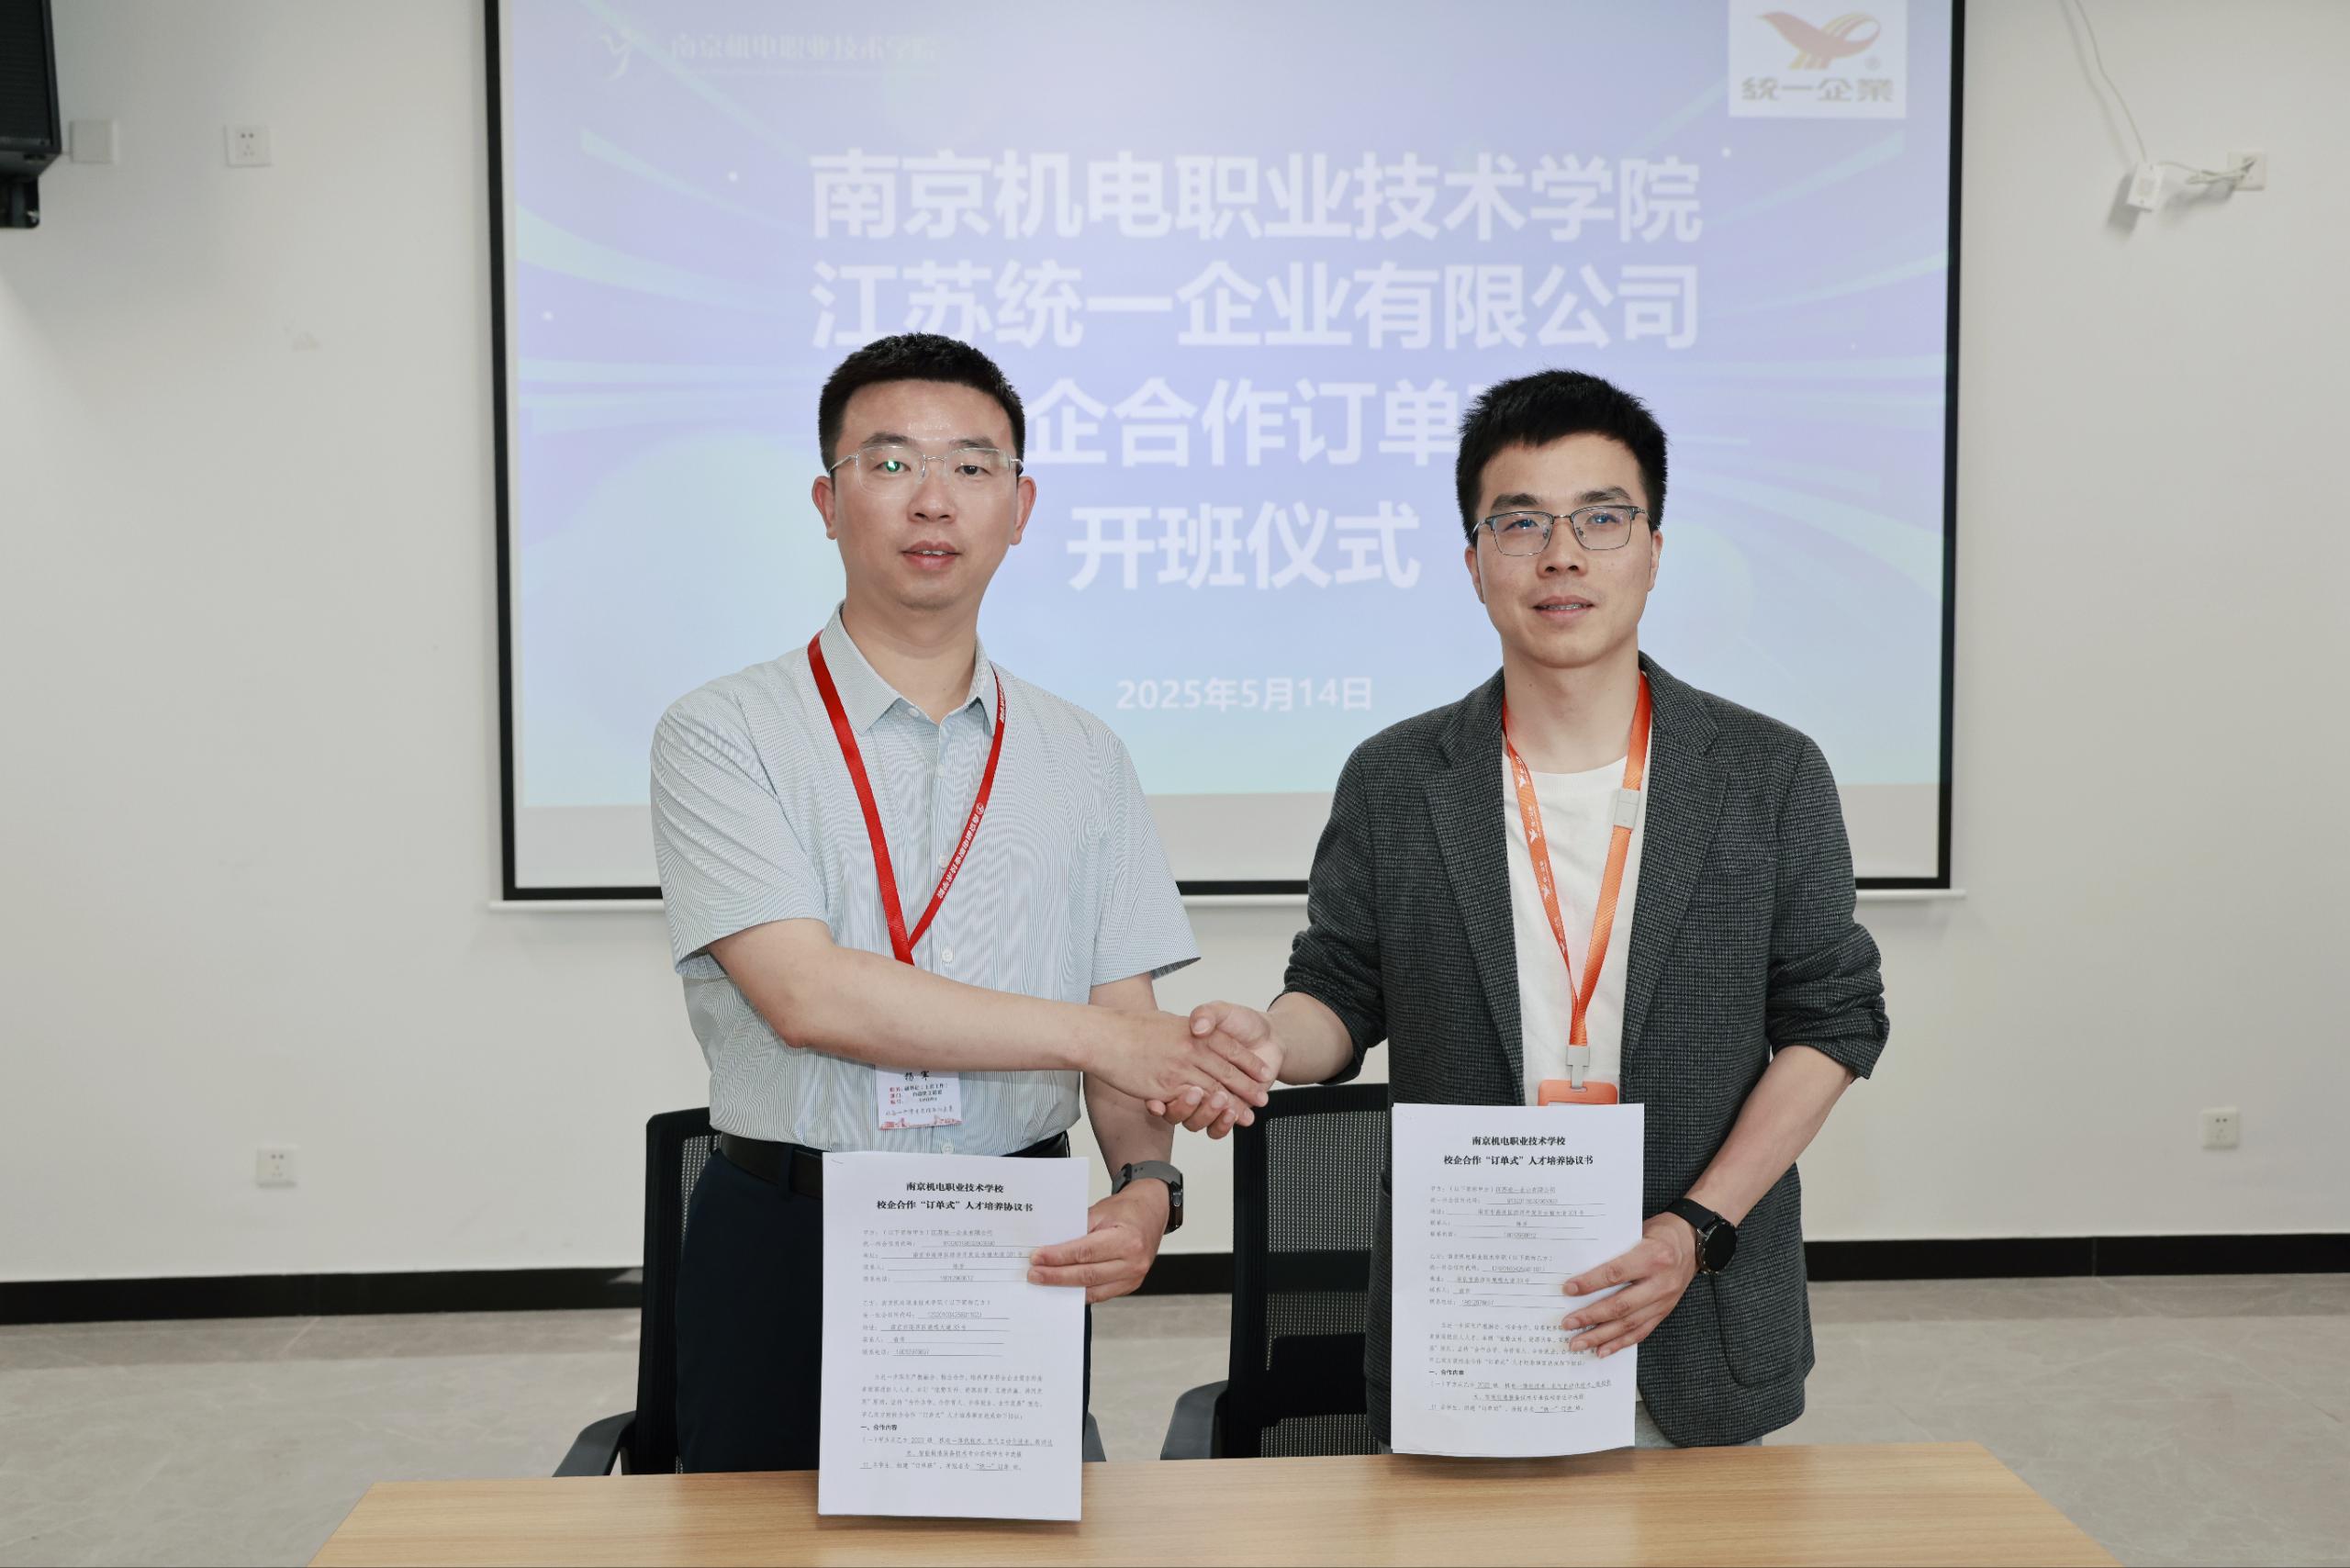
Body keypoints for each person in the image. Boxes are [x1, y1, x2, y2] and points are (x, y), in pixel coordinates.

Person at [1169, 369, 1889, 1450]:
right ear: (1473, 562)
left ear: (1653, 549)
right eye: (1520, 522)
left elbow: (1831, 1021)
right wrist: (1270, 1040)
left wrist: (1694, 1228)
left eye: (1601, 518)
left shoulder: (1767, 773)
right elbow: (1339, 991)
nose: (1561, 555)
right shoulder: (1396, 777)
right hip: (1469, 1313)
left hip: (1695, 1302)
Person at [650, 332, 1271, 1472]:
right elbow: (805, 995)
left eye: (972, 466)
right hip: (791, 1233)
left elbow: (1122, 1011)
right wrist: (1111, 1041)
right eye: (890, 463)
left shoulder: (1083, 754)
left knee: (1000, 1540)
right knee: (759, 1546)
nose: (932, 499)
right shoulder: (722, 732)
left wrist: (1145, 1186)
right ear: (827, 501)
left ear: (1020, 508)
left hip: (1014, 1230)